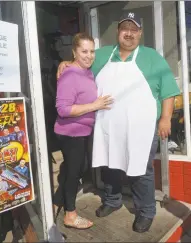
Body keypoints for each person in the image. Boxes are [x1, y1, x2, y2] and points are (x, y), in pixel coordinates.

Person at [57, 12, 181, 233]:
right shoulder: (103, 55)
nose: (129, 34)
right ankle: (112, 200)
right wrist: (67, 62)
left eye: (134, 30)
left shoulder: (152, 57)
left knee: (141, 170)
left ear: (140, 33)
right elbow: (82, 62)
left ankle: (146, 211)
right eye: (126, 29)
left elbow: (169, 91)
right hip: (109, 126)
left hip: (142, 128)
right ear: (118, 32)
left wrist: (165, 118)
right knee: (110, 165)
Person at [53, 32, 113, 230]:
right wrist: (94, 105)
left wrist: (65, 61)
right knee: (74, 173)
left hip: (82, 132)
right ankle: (70, 215)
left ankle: (56, 201)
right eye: (84, 51)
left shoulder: (86, 71)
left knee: (80, 168)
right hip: (70, 133)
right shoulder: (69, 75)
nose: (89, 56)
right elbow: (62, 109)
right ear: (75, 52)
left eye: (91, 51)